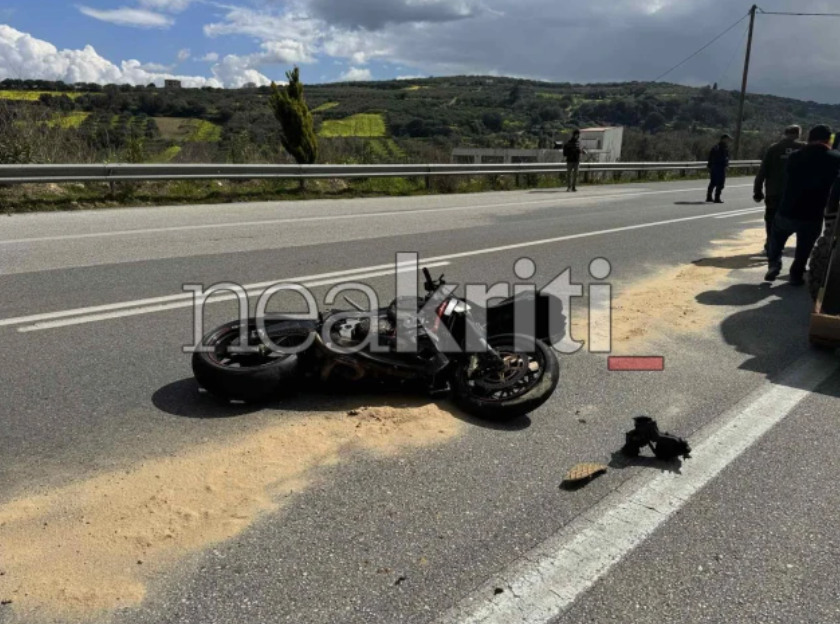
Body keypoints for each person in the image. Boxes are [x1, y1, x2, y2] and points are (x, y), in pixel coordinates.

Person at [765, 124, 840, 285]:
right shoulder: (835, 158)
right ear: (829, 139)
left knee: (776, 239)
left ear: (809, 138)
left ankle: (774, 264)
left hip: (787, 208)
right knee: (804, 248)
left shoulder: (795, 156)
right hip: (813, 213)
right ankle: (796, 274)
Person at [754, 125, 806, 254]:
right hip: (796, 194)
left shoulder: (774, 148)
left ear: (785, 133)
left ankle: (771, 242)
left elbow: (762, 171)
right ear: (798, 134)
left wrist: (758, 190)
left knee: (771, 218)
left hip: (774, 192)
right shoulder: (804, 148)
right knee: (797, 221)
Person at [706, 134, 732, 203]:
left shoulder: (715, 147)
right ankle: (717, 198)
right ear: (723, 139)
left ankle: (709, 197)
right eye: (727, 139)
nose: (728, 141)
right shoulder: (723, 148)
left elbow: (710, 157)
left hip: (714, 167)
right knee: (720, 183)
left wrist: (709, 166)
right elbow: (724, 158)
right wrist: (726, 166)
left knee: (713, 182)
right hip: (720, 167)